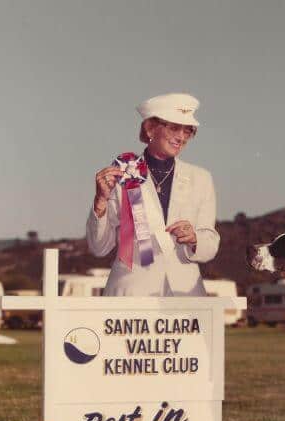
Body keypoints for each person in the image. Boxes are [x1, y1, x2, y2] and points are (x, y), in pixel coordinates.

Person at [86, 93, 219, 296]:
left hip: (186, 297)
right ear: (150, 128)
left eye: (188, 131)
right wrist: (101, 201)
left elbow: (210, 244)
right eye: (174, 127)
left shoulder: (201, 178)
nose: (181, 137)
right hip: (131, 295)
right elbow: (99, 248)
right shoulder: (122, 173)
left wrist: (194, 239)